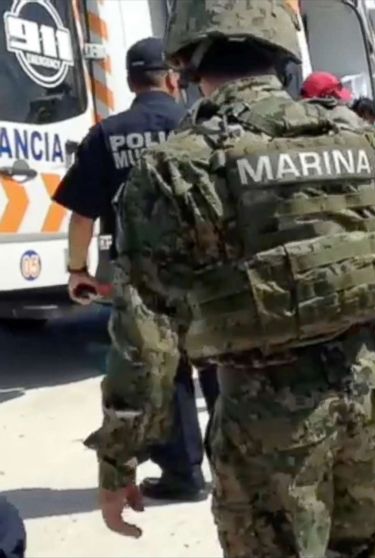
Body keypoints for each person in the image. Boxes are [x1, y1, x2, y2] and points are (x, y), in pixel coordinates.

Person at [86, 2, 375, 556]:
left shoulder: (177, 165)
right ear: (283, 54)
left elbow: (147, 337)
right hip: (371, 401)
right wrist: (349, 295)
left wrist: (120, 459)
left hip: (267, 422)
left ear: (186, 62)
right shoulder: (364, 139)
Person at [52, 37, 218, 502]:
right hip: (210, 274)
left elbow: (81, 215)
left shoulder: (108, 134)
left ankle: (185, 475)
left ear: (128, 82)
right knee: (221, 366)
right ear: (172, 79)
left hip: (144, 281)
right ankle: (233, 469)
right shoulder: (200, 125)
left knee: (166, 375)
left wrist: (77, 269)